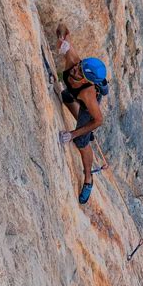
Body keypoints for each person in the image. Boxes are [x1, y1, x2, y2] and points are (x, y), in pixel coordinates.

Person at [56, 23, 106, 204]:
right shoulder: (74, 59)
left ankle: (88, 179)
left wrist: (73, 134)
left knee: (81, 141)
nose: (76, 69)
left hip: (87, 107)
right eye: (79, 66)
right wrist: (62, 39)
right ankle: (85, 129)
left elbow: (99, 119)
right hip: (73, 93)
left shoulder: (88, 94)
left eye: (80, 71)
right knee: (65, 96)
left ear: (87, 79)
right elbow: (63, 27)